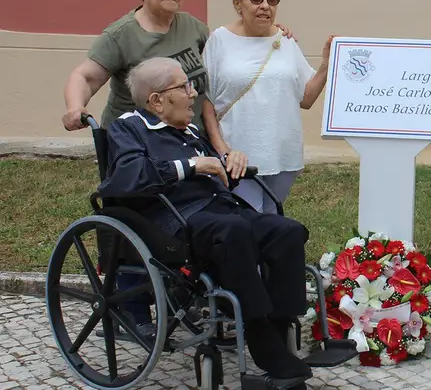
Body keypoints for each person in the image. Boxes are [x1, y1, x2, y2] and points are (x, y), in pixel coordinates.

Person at [98, 57, 313, 379]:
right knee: (233, 230)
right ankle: (260, 336)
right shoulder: (130, 127)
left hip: (222, 210)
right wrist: (192, 166)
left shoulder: (190, 130)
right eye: (184, 86)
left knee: (287, 231)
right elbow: (129, 176)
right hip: (175, 222)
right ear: (156, 100)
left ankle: (279, 323)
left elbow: (215, 174)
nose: (193, 92)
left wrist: (230, 162)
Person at [201, 0, 332, 213]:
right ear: (237, 3)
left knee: (272, 219)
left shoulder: (286, 41)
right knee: (249, 220)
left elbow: (306, 98)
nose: (265, 6)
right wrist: (222, 149)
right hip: (238, 155)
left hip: (283, 153)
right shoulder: (219, 40)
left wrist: (326, 65)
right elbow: (206, 103)